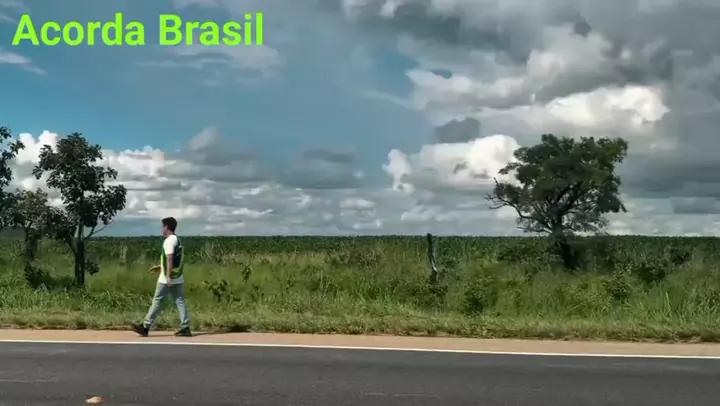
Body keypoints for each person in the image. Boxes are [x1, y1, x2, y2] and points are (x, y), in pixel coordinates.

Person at [132, 217, 192, 337]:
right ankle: (185, 327)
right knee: (180, 301)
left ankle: (145, 326)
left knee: (158, 300)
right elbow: (174, 260)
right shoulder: (177, 239)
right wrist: (161, 267)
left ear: (167, 227)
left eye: (163, 226)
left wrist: (168, 276)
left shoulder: (169, 241)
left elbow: (170, 259)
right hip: (178, 276)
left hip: (166, 278)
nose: (162, 229)